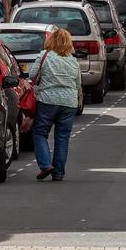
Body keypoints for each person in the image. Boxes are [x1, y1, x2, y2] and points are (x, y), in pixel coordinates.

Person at [30, 27, 83, 182]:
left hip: (48, 100)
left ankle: (45, 164)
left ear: (51, 40)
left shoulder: (45, 56)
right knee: (62, 137)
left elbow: (33, 75)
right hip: (69, 103)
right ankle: (58, 172)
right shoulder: (73, 61)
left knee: (40, 132)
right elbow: (78, 83)